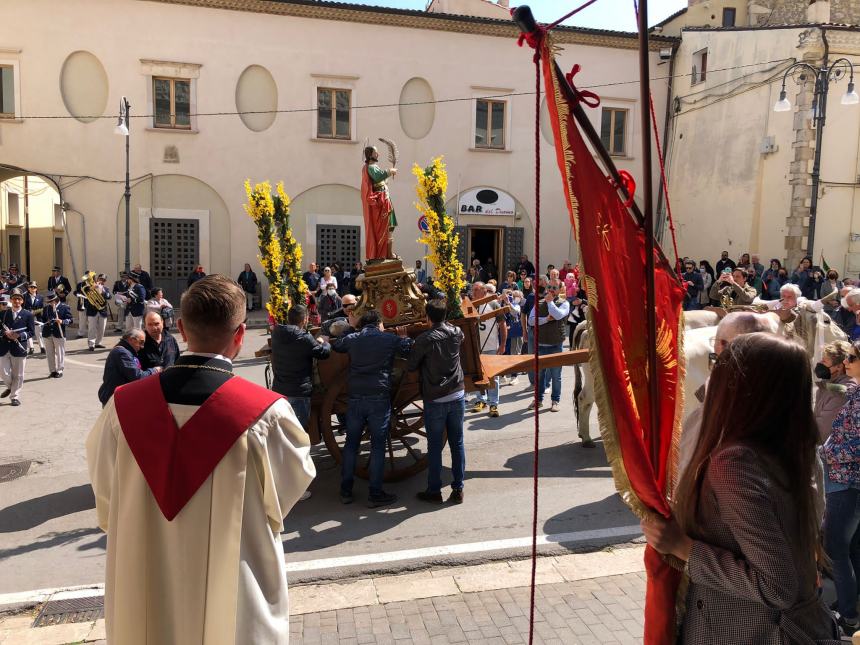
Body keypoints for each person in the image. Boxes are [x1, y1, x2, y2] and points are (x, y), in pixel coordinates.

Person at [87, 274, 315, 644]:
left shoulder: (122, 408)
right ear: (241, 335)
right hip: (232, 595)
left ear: (180, 327)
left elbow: (107, 497)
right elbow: (287, 493)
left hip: (146, 591)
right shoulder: (267, 415)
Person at [642, 333, 837, 642]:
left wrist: (683, 548)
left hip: (752, 631)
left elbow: (777, 585)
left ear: (740, 386)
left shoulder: (735, 463)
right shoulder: (797, 447)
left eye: (720, 364)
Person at [677, 312, 779, 478]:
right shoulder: (786, 391)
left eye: (718, 342)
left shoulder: (729, 400)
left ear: (726, 346)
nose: (715, 348)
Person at [332, 309, 412, 507]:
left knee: (351, 445)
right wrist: (404, 337)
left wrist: (350, 327)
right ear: (379, 324)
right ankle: (375, 493)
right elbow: (407, 349)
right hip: (378, 396)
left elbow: (338, 345)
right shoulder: (388, 339)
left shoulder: (353, 338)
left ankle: (346, 490)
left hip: (356, 397)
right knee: (378, 446)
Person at [408, 298, 466, 504]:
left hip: (436, 397)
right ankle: (458, 488)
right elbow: (459, 335)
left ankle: (434, 490)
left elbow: (412, 365)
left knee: (434, 446)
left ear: (427, 317)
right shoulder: (457, 332)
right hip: (457, 394)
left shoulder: (425, 339)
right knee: (457, 443)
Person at [821, 341, 860, 634]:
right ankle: (852, 605)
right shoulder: (855, 392)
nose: (846, 362)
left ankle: (848, 617)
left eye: (851, 357)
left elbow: (853, 448)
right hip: (845, 481)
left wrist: (824, 453)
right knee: (852, 547)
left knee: (835, 546)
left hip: (847, 483)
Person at [271, 303, 331, 431]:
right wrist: (325, 343)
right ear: (305, 319)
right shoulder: (304, 338)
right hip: (299, 392)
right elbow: (323, 353)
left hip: (279, 390)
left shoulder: (276, 333)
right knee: (298, 433)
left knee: (284, 433)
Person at [528, 282, 570, 412]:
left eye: (554, 288)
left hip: (555, 345)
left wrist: (550, 303)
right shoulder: (539, 303)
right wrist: (545, 319)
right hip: (540, 345)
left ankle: (555, 400)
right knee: (539, 375)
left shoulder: (564, 303)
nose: (551, 290)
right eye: (549, 287)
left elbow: (557, 315)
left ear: (559, 290)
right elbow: (531, 321)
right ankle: (538, 400)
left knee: (556, 375)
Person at [97, 328, 160, 406]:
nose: (142, 346)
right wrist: (154, 370)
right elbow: (138, 376)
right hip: (115, 400)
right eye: (141, 342)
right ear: (131, 340)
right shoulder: (122, 353)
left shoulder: (127, 351)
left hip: (119, 398)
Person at [471, 282, 506, 417]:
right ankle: (481, 400)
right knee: (477, 375)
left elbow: (502, 325)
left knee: (493, 377)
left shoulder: (493, 305)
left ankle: (493, 403)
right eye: (472, 290)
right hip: (475, 348)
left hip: (491, 346)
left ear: (484, 291)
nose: (473, 292)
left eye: (476, 290)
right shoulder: (471, 306)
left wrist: (503, 344)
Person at [361, 145, 398, 260]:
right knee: (385, 227)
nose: (378, 154)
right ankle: (386, 254)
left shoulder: (372, 166)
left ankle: (389, 253)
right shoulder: (371, 167)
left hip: (385, 198)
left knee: (390, 226)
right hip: (381, 202)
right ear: (370, 155)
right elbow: (378, 177)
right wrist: (389, 171)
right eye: (376, 152)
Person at [814, 340, 854, 443]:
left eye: (824, 361)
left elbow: (820, 434)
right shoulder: (826, 385)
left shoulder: (840, 393)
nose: (819, 364)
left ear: (839, 366)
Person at [0, 289, 34, 406]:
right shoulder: (3, 313)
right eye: (14, 299)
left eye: (19, 299)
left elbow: (31, 332)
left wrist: (19, 335)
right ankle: (10, 387)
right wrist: (4, 333)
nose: (17, 301)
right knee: (3, 372)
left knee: (18, 374)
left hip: (19, 348)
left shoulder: (28, 315)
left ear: (22, 301)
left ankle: (14, 396)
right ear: (11, 300)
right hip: (4, 347)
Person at [40, 290, 72, 378]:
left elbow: (70, 320)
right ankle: (52, 371)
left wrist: (62, 321)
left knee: (60, 353)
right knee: (49, 354)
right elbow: (43, 319)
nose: (50, 303)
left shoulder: (64, 307)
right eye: (49, 302)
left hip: (59, 333)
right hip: (47, 333)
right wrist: (43, 322)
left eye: (51, 301)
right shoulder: (46, 308)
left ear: (55, 300)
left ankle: (60, 370)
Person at [84, 273, 112, 351]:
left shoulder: (106, 288)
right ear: (97, 279)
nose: (101, 281)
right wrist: (92, 288)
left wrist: (102, 291)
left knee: (101, 329)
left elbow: (109, 296)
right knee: (91, 328)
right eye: (100, 279)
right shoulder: (89, 287)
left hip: (102, 311)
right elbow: (85, 292)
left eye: (103, 280)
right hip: (92, 310)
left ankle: (98, 343)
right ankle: (91, 344)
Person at [23, 281, 45, 355]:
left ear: (36, 288)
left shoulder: (40, 297)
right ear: (28, 288)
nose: (32, 288)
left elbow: (42, 308)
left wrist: (37, 311)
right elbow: (22, 307)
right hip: (28, 317)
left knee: (39, 332)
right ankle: (31, 348)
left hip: (37, 317)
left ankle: (42, 347)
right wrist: (29, 312)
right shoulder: (25, 296)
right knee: (29, 332)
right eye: (31, 287)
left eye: (34, 287)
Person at [73, 272, 89, 338]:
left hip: (91, 304)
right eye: (86, 276)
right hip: (82, 303)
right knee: (82, 320)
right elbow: (75, 291)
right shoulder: (80, 284)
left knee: (92, 320)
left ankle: (92, 333)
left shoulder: (93, 284)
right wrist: (77, 294)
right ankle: (81, 333)